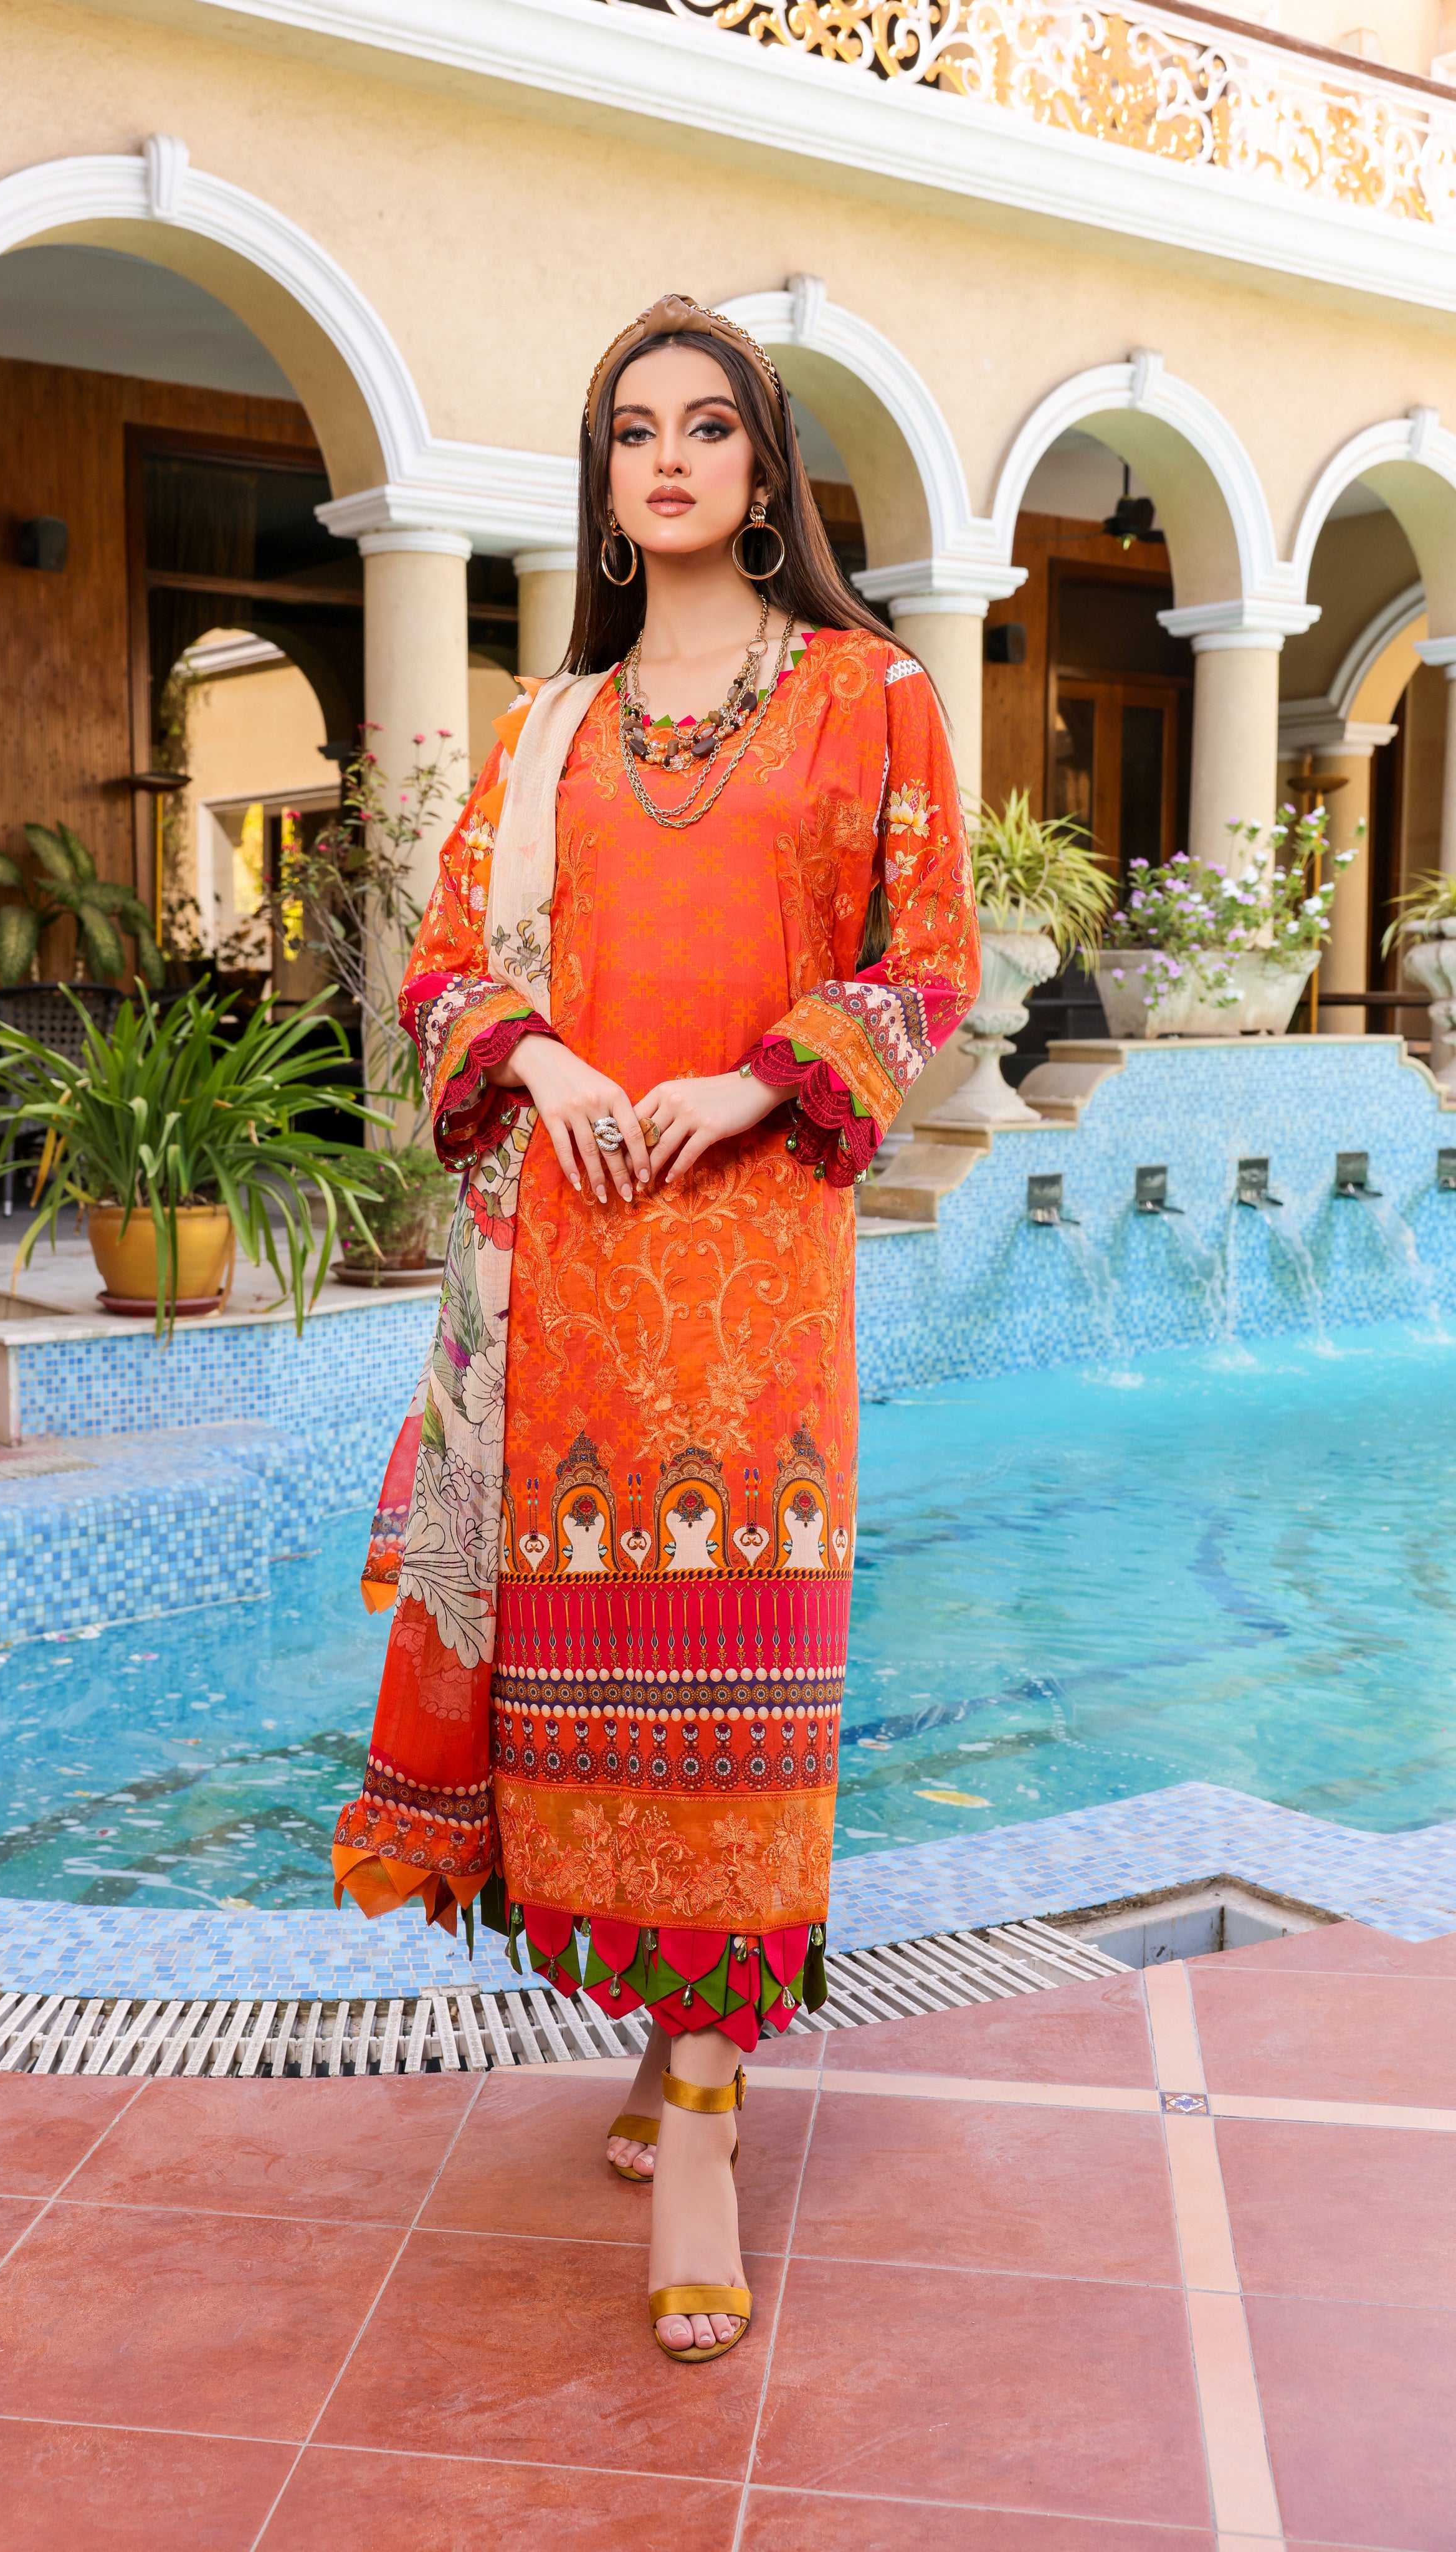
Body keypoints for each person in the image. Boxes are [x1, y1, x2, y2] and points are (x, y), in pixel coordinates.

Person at [335, 292, 979, 2363]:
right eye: (637, 431)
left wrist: (757, 1075)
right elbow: (439, 968)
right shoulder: (548, 732)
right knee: (584, 1710)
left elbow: (927, 959)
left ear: (765, 473)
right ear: (606, 485)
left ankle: (704, 2123)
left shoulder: (866, 694)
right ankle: (661, 2041)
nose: (674, 457)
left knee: (742, 1706)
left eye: (713, 427)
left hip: (760, 1256)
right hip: (579, 1268)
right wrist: (537, 1066)